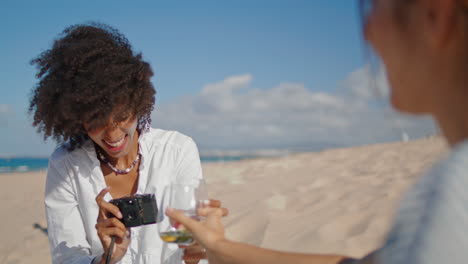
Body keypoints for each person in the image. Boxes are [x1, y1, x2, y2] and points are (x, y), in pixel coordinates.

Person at [167, 0, 468, 263]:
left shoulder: (452, 194)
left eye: (371, 7)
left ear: (435, 13)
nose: (367, 33)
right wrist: (219, 247)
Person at [29, 23, 225, 264]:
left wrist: (199, 248)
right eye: (96, 121)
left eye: (122, 116)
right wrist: (107, 258)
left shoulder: (177, 150)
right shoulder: (66, 165)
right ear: (77, 118)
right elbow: (66, 258)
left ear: (138, 104)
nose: (112, 134)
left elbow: (191, 243)